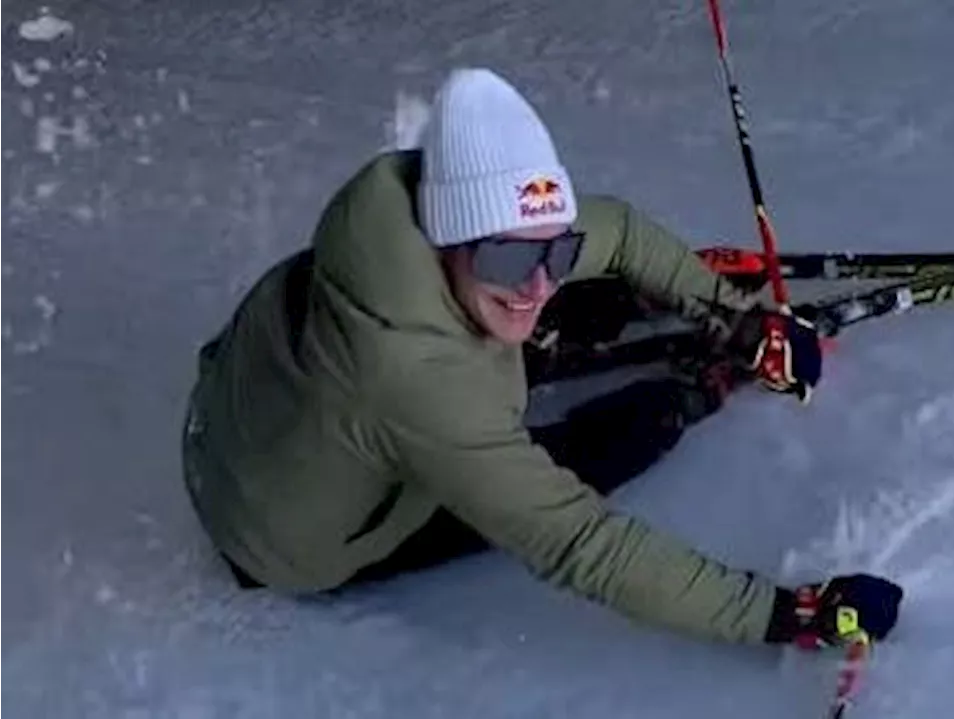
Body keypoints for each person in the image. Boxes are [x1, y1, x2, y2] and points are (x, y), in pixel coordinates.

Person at [180, 67, 904, 650]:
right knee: (595, 449)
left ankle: (561, 333)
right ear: (451, 240)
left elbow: (614, 229)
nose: (535, 279)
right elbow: (581, 543)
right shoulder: (418, 388)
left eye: (555, 251)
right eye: (508, 256)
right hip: (284, 546)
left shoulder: (408, 224)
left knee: (539, 306)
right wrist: (792, 615)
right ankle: (680, 394)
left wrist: (738, 319)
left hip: (235, 426)